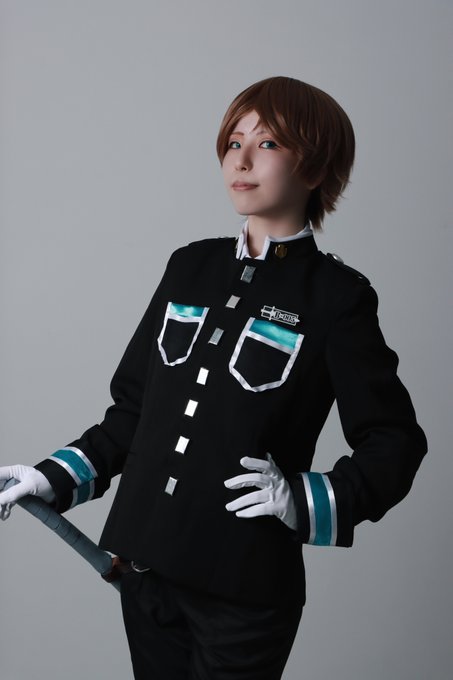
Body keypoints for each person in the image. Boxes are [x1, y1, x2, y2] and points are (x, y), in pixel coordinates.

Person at [0, 76, 427, 680]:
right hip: (145, 572)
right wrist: (51, 476)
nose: (241, 159)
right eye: (233, 141)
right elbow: (134, 412)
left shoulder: (338, 297)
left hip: (245, 592)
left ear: (314, 167)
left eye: (268, 143)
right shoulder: (189, 266)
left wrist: (301, 500)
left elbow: (394, 441)